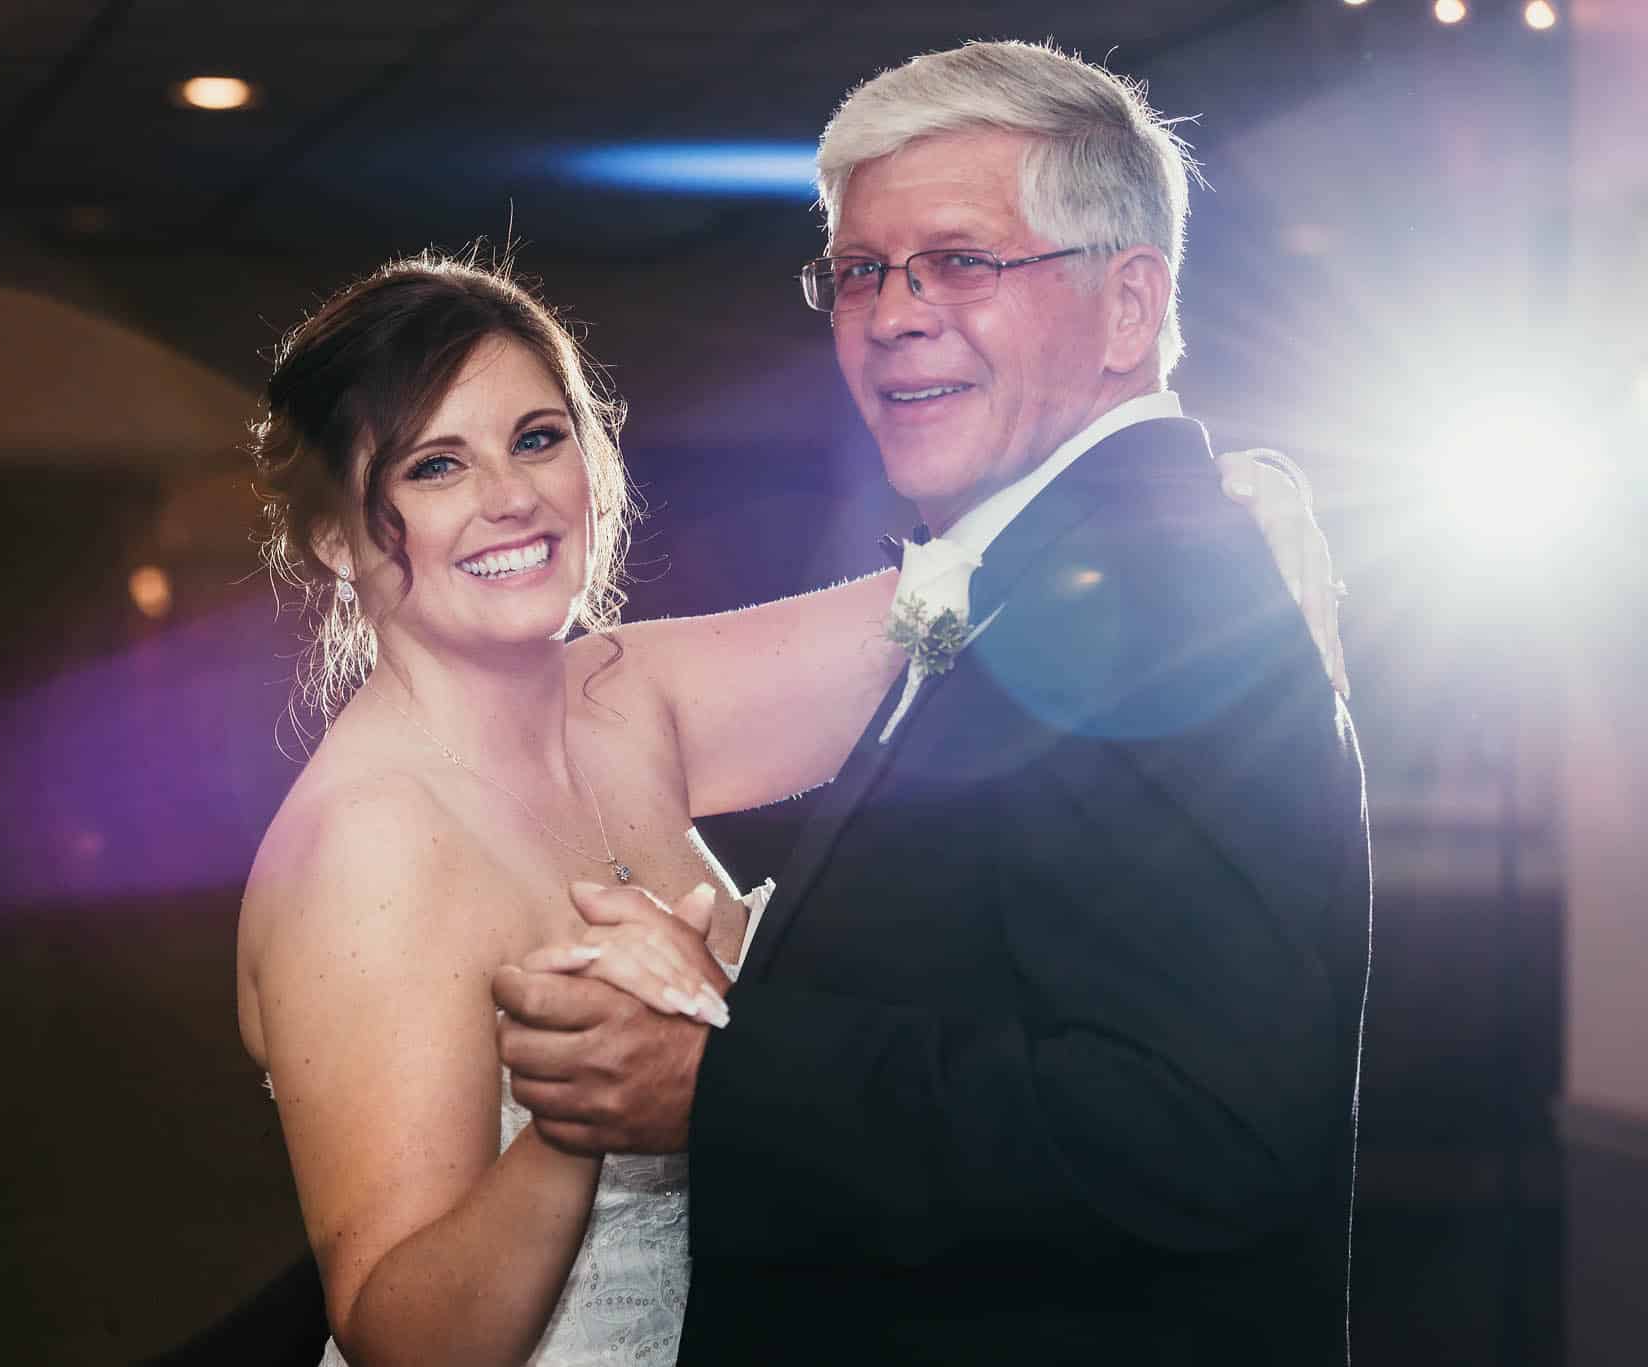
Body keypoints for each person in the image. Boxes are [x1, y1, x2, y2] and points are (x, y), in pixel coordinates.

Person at [235, 245, 1343, 1361]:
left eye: (536, 436)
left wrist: (1225, 506)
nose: (511, 496)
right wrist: (583, 1109)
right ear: (334, 534)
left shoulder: (626, 694)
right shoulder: (364, 845)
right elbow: (402, 1334)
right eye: (435, 466)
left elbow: (959, 596)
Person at [493, 39, 1373, 1366]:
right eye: (860, 270)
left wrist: (723, 1082)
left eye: (961, 261)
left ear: (1130, 307)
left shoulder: (1160, 594)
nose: (892, 313)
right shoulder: (1040, 576)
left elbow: (1212, 1127)